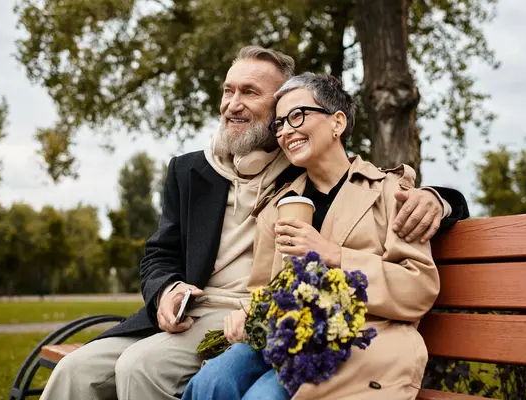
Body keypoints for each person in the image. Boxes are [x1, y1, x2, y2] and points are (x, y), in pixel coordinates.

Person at [41, 47, 468, 400]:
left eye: (250, 92)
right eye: (228, 91)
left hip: (325, 330)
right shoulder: (197, 172)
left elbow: (384, 185)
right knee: (74, 372)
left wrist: (442, 199)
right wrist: (165, 290)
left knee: (145, 368)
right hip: (206, 315)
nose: (233, 104)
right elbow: (162, 254)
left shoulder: (301, 168)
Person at [183, 73, 443, 400]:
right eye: (279, 124)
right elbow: (262, 292)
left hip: (364, 341)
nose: (286, 131)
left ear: (337, 123)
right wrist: (247, 314)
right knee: (210, 383)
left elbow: (418, 289)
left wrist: (333, 255)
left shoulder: (391, 194)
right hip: (284, 339)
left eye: (297, 116)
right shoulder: (276, 207)